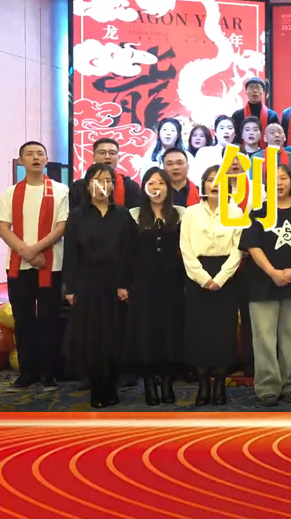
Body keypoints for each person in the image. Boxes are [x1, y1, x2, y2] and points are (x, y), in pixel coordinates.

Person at [0, 142, 70, 392]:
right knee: (23, 321)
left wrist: (34, 250)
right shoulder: (10, 193)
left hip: (51, 265)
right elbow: (3, 229)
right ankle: (27, 373)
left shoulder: (60, 190)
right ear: (21, 161)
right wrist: (26, 252)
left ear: (47, 159)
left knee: (49, 320)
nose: (35, 158)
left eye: (40, 154)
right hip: (18, 267)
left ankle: (48, 373)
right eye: (30, 154)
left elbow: (61, 227)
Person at [63, 163, 133, 408]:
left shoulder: (123, 215)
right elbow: (71, 254)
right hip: (87, 283)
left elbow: (128, 253)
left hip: (115, 283)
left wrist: (124, 284)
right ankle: (97, 389)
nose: (103, 185)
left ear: (113, 186)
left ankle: (111, 386)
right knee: (91, 338)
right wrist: (70, 288)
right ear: (88, 185)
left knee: (114, 337)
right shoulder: (77, 215)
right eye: (97, 179)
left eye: (107, 180)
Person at [240, 164, 291, 407]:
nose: (279, 183)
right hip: (262, 284)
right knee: (264, 337)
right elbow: (252, 246)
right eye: (274, 179)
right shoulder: (258, 212)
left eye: (283, 178)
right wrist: (273, 272)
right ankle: (267, 386)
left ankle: (289, 383)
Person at [121, 167, 187, 406]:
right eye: (151, 182)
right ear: (144, 187)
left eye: (161, 183)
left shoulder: (180, 214)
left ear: (168, 188)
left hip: (172, 284)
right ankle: (149, 384)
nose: (156, 187)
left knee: (170, 332)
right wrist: (123, 284)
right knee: (146, 334)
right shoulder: (133, 215)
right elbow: (125, 253)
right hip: (142, 284)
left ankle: (167, 382)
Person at [180, 165, 243, 406]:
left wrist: (220, 278)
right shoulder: (191, 213)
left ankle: (220, 386)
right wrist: (203, 278)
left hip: (226, 277)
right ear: (203, 184)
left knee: (223, 333)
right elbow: (185, 249)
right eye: (210, 179)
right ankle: (203, 385)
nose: (215, 184)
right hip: (197, 277)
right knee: (199, 333)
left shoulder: (236, 212)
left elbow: (238, 250)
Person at [71, 139, 142, 210]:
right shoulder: (78, 187)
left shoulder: (130, 186)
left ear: (118, 158)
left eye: (112, 153)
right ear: (94, 157)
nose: (107, 157)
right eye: (102, 153)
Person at [231, 77, 279, 148]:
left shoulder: (272, 115)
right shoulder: (237, 115)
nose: (255, 90)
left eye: (258, 87)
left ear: (263, 92)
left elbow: (276, 137)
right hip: (242, 152)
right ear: (246, 92)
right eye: (251, 87)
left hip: (267, 152)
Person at [192, 118, 237, 182]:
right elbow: (196, 178)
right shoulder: (204, 152)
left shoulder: (240, 154)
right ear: (215, 132)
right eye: (222, 128)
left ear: (234, 134)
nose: (226, 131)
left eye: (229, 128)